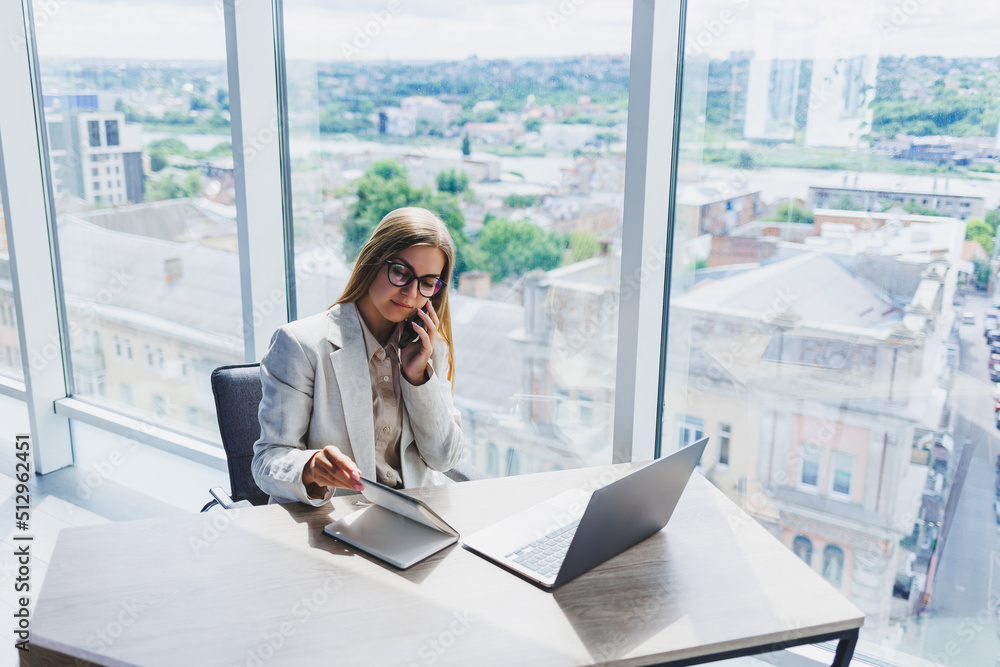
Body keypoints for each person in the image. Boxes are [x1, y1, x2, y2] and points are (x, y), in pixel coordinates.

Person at [251, 207, 465, 505]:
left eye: (427, 282)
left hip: (416, 519)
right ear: (372, 263)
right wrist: (310, 468)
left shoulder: (432, 348)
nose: (412, 293)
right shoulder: (301, 345)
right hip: (334, 522)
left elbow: (444, 459)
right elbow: (267, 460)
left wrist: (418, 378)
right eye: (401, 272)